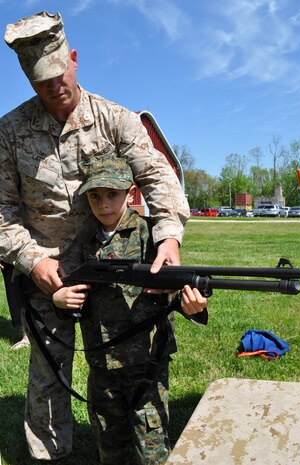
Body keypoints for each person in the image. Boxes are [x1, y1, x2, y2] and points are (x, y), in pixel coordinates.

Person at [0, 10, 190, 463]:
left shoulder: (116, 120)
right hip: (49, 273)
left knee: (129, 364)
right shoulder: (9, 133)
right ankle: (52, 456)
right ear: (29, 80)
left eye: (59, 74)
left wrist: (167, 239)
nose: (54, 88)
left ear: (75, 59)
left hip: (116, 262)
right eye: (42, 82)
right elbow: (1, 212)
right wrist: (32, 260)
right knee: (48, 379)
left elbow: (160, 177)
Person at [52, 153, 207, 465]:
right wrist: (61, 299)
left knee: (153, 448)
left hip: (146, 365)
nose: (104, 204)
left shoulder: (153, 236)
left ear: (129, 191)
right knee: (110, 445)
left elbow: (179, 290)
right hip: (101, 366)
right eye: (94, 196)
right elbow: (73, 294)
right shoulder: (83, 241)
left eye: (112, 194)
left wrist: (193, 306)